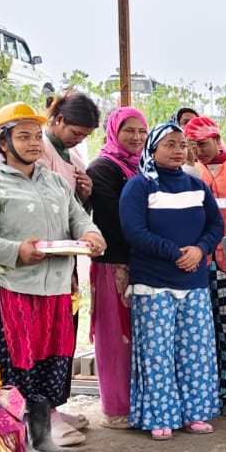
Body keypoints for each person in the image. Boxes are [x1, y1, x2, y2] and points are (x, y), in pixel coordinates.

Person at [0, 102, 105, 452]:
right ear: (4, 143)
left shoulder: (56, 181)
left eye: (36, 136)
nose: (33, 143)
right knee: (14, 367)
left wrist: (92, 234)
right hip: (12, 289)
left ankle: (43, 439)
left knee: (48, 365)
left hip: (55, 290)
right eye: (22, 136)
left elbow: (77, 218)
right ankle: (17, 446)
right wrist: (16, 251)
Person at [120, 121, 223, 439]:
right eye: (170, 144)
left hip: (193, 282)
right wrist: (176, 252)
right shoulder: (140, 186)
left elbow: (215, 225)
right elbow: (134, 232)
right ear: (153, 149)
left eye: (182, 145)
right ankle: (159, 416)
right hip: (153, 282)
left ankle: (195, 413)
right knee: (157, 352)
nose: (178, 150)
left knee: (196, 350)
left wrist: (200, 250)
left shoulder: (197, 186)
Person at [37, 90, 100, 441]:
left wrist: (85, 193)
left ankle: (56, 404)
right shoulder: (39, 152)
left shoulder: (72, 155)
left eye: (85, 136)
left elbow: (74, 209)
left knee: (65, 330)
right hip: (42, 258)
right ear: (58, 120)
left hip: (67, 259)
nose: (80, 140)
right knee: (45, 334)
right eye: (76, 132)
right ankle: (43, 412)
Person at [86, 106, 148, 430]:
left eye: (141, 131)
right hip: (113, 262)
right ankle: (117, 408)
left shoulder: (143, 167)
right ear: (114, 132)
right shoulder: (103, 167)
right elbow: (110, 218)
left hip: (141, 260)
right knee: (115, 336)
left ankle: (137, 404)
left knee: (137, 336)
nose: (136, 137)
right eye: (129, 130)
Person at [184, 114, 226, 417]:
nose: (199, 151)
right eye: (193, 146)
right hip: (197, 265)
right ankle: (207, 393)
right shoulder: (186, 172)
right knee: (202, 333)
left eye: (203, 144)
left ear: (216, 139)